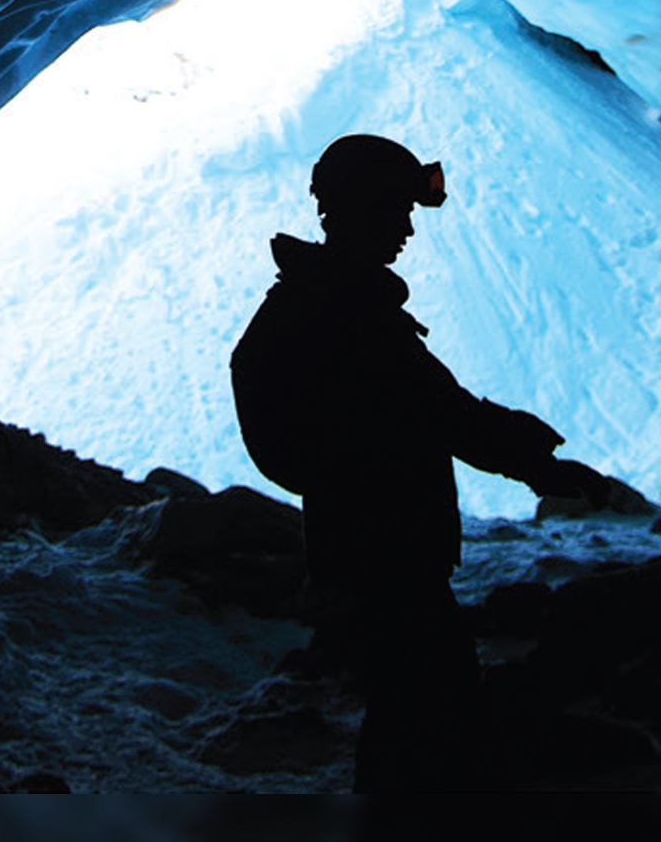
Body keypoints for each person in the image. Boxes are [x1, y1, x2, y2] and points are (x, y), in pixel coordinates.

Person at [230, 133, 611, 790]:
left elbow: (430, 410)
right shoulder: (349, 312)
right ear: (362, 210)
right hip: (389, 545)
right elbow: (442, 412)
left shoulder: (326, 299)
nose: (408, 227)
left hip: (366, 541)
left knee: (410, 705)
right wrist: (538, 463)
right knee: (426, 706)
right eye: (397, 210)